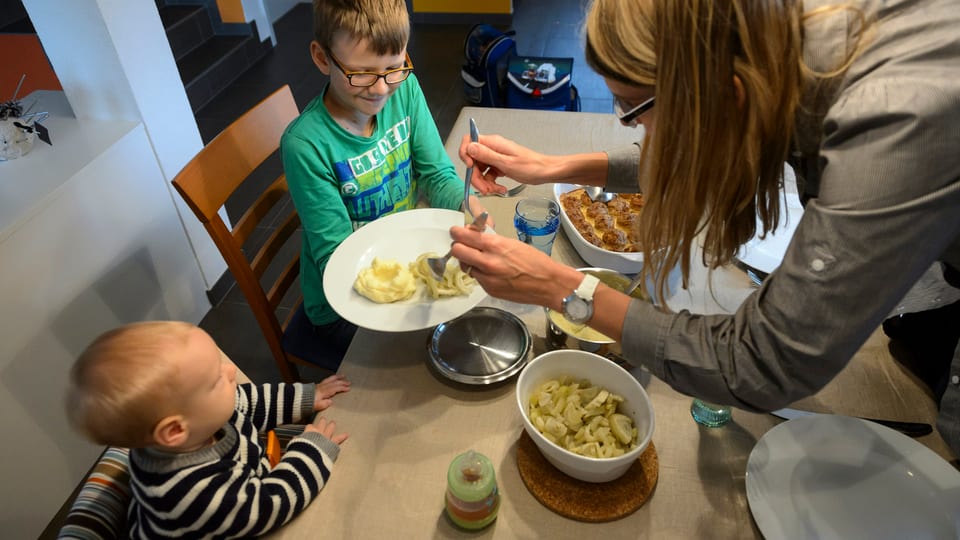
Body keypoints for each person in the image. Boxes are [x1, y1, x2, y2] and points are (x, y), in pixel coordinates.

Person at [451, 0, 960, 455]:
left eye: (634, 108)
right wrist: (551, 167)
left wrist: (562, 287)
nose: (631, 126)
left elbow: (764, 361)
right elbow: (695, 139)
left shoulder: (892, 123)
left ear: (725, 92)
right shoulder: (770, 42)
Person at [281, 0, 489, 357]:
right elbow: (337, 259)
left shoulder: (404, 90)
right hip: (342, 304)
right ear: (321, 58)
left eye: (394, 68)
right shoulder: (305, 145)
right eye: (361, 74)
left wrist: (466, 205)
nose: (380, 89)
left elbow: (436, 174)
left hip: (403, 258)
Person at [65, 321, 351, 538]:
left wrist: (306, 396)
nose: (230, 372)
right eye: (215, 379)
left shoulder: (195, 421)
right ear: (175, 430)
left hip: (242, 492)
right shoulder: (194, 492)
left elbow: (246, 402)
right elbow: (267, 506)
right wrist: (311, 452)